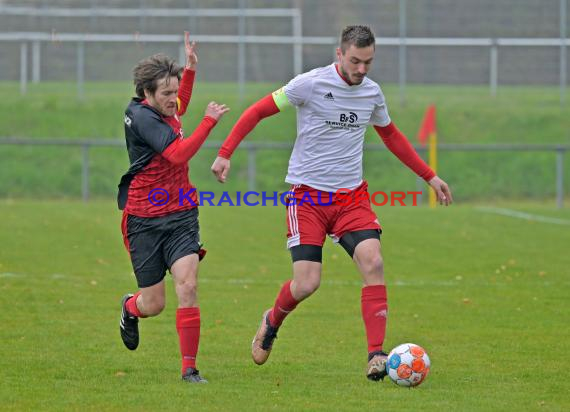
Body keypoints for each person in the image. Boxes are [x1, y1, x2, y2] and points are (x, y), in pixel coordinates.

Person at [211, 25, 452, 381]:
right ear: (339, 54)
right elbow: (257, 112)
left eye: (368, 62)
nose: (362, 69)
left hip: (351, 198)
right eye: (355, 60)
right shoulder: (309, 84)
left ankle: (376, 355)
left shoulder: (371, 93)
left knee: (374, 261)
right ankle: (272, 320)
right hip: (307, 198)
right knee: (307, 283)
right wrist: (225, 153)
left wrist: (429, 176)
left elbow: (392, 137)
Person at [117, 32, 229, 384]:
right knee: (154, 304)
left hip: (181, 215)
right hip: (144, 221)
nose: (173, 100)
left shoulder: (163, 108)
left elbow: (179, 105)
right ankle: (129, 308)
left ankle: (189, 370)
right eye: (164, 93)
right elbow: (178, 154)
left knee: (188, 286)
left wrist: (190, 71)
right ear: (145, 94)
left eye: (173, 90)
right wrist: (209, 121)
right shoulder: (142, 117)